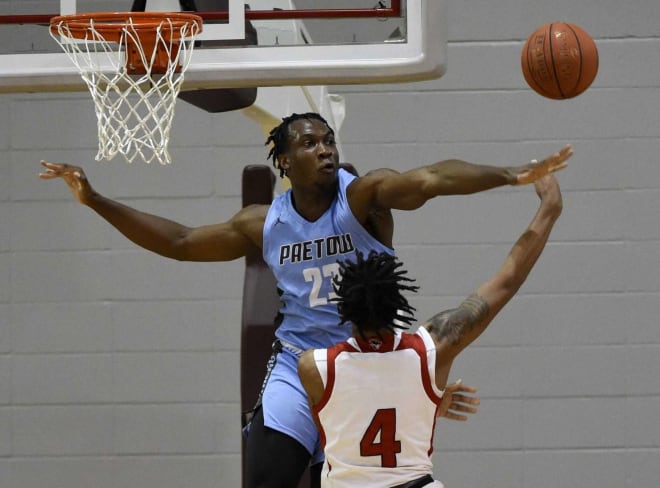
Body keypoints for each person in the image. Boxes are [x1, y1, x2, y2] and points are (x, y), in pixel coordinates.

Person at [39, 112, 572, 488]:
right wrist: (96, 200)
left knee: (346, 479)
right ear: (284, 160)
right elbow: (179, 243)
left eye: (329, 140)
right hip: (302, 365)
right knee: (267, 475)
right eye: (311, 143)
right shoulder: (264, 221)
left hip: (368, 362)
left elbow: (428, 179)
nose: (326, 150)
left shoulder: (360, 195)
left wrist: (509, 175)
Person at [297, 174, 563, 488]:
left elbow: (353, 417)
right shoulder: (431, 351)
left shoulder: (314, 367)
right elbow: (508, 279)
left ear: (343, 309)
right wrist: (550, 208)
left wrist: (423, 403)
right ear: (398, 302)